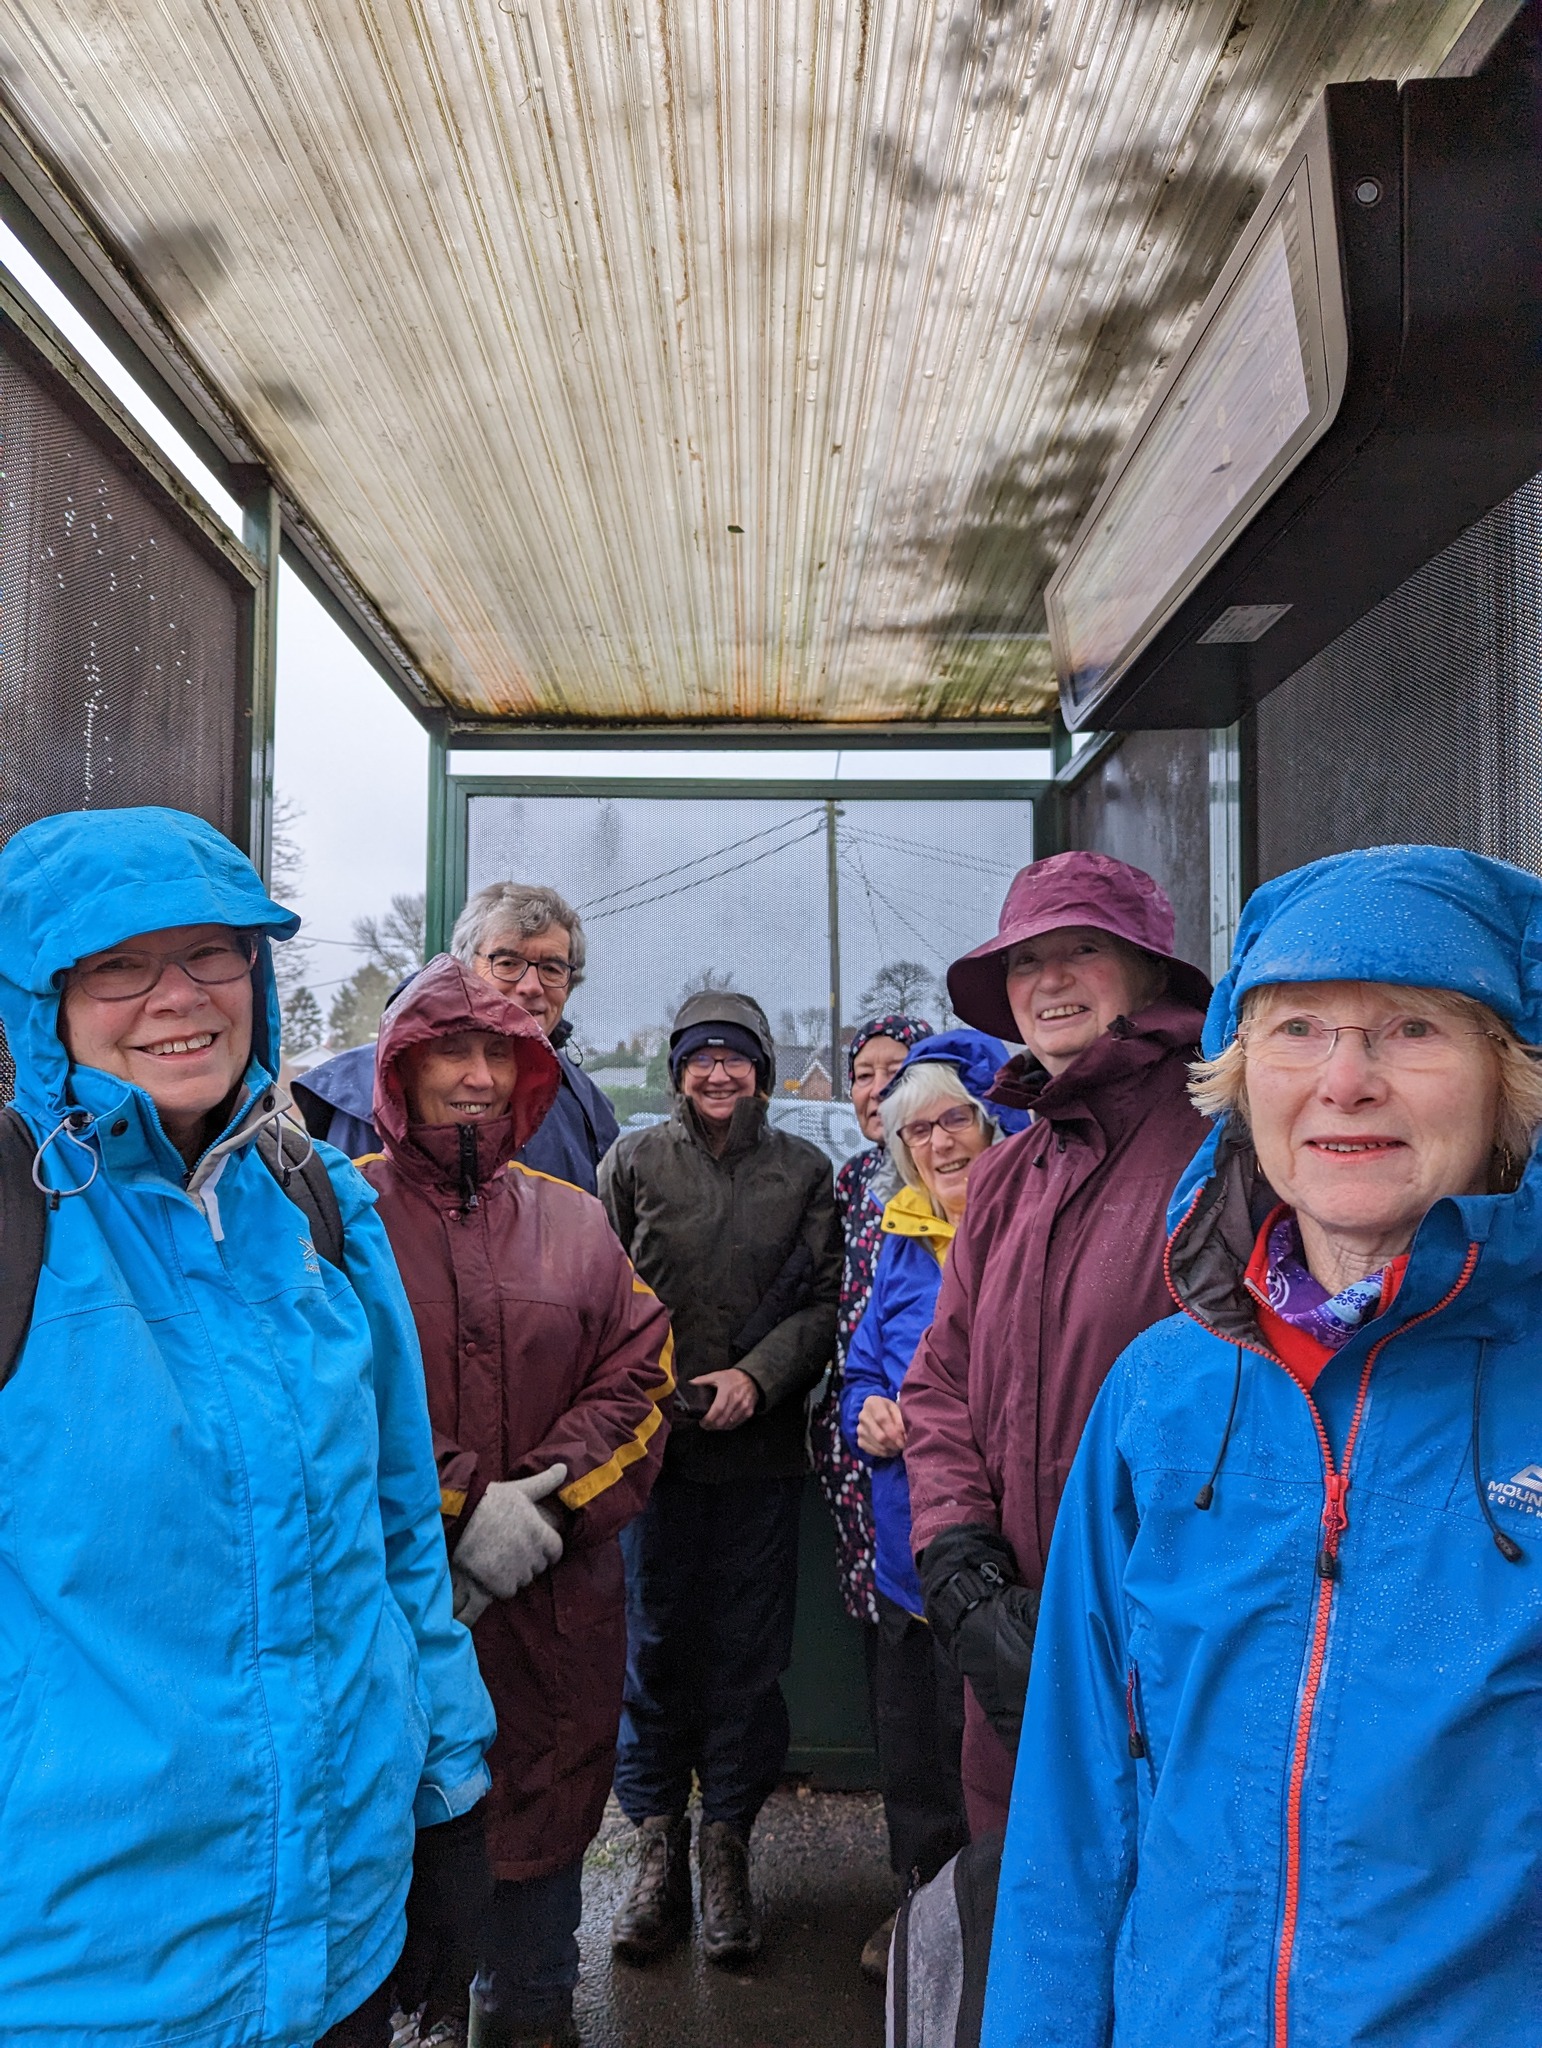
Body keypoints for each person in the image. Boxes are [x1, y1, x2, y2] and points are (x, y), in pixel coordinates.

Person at [983, 844, 1542, 2048]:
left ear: (1511, 1084)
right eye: (1296, 1029)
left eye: (1411, 1029)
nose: (1344, 1080)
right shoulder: (1160, 1394)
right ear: (1240, 1079)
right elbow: (1076, 1813)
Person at [0, 806, 494, 2048]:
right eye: (118, 963)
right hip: (82, 1975)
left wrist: (447, 1800)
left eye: (214, 953)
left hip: (340, 1935)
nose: (178, 995)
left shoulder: (317, 1205)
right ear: (42, 994)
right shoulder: (17, 1232)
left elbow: (397, 1535)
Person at [356, 954, 675, 2048]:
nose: (481, 1074)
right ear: (401, 1065)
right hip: (392, 1624)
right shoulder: (336, 1214)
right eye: (454, 1048)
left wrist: (537, 1509)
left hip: (551, 1626)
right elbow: (322, 1396)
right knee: (392, 1935)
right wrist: (453, 1506)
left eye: (502, 1051)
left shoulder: (576, 1221)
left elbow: (643, 1374)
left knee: (537, 1935)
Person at [902, 851, 1211, 1833]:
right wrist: (959, 1562)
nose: (1049, 980)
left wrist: (1131, 1611)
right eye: (1028, 960)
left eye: (1084, 949)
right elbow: (941, 1379)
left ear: (1152, 974)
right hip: (1010, 1666)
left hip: (1166, 1655)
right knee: (1030, 1932)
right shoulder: (1008, 1174)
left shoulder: (1224, 1148)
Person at [599, 990, 841, 1968]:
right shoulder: (633, 1162)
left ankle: (727, 1846)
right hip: (654, 1453)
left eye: (734, 1058)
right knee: (652, 1649)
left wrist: (759, 1375)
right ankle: (654, 1849)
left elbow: (828, 1297)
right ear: (676, 1070)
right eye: (699, 1058)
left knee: (747, 1656)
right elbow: (599, 1285)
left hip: (761, 1453)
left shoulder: (804, 1170)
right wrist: (647, 1383)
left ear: (761, 1069)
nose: (716, 1073)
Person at [840, 1031, 1026, 1982]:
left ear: (994, 1123)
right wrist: (864, 1411)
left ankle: (1006, 1928)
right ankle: (921, 1912)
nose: (941, 1143)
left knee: (995, 1746)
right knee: (915, 1755)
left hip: (1004, 1554)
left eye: (956, 1118)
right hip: (910, 1555)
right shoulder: (903, 1245)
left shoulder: (1031, 1228)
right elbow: (865, 1367)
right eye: (918, 1132)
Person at [294, 883, 619, 1195]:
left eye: (551, 968)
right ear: (461, 970)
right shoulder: (377, 1085)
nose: (531, 986)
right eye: (507, 963)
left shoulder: (581, 1098)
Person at [807, 1016, 935, 1649]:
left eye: (896, 1072)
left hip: (930, 1443)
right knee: (883, 1636)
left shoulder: (957, 1181)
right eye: (863, 1075)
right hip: (859, 1428)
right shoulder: (853, 1180)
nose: (878, 1088)